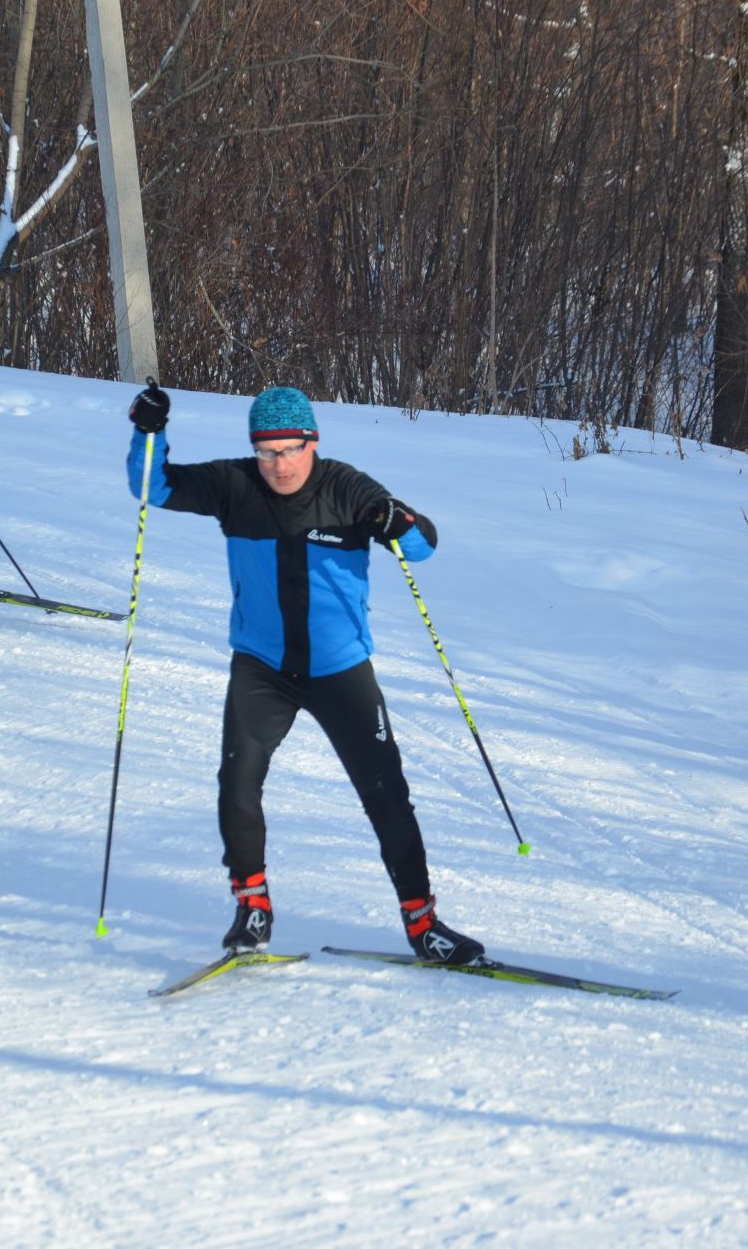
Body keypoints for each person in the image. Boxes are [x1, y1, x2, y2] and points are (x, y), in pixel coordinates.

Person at [125, 382, 485, 964]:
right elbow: (152, 486)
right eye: (267, 452)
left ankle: (424, 926)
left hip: (339, 670)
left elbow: (420, 548)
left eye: (291, 449)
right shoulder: (235, 485)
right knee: (238, 784)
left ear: (311, 443)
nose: (280, 464)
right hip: (262, 668)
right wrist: (149, 432)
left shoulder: (347, 488)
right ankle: (253, 908)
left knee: (387, 794)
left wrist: (398, 520)